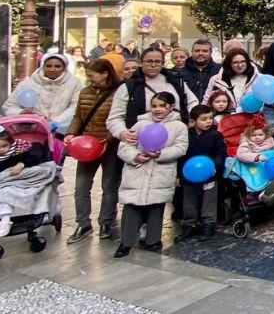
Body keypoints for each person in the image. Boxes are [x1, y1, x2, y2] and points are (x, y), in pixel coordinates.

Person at [115, 92, 187, 258]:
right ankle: (125, 242)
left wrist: (161, 154)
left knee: (156, 208)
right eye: (154, 106)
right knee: (132, 207)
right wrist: (135, 156)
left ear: (171, 107)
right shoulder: (141, 124)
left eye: (162, 106)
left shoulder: (179, 127)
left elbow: (180, 148)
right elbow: (125, 146)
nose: (157, 109)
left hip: (160, 174)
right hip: (137, 173)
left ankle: (153, 240)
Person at [64, 58, 124, 244]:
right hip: (86, 146)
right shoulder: (85, 92)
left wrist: (107, 139)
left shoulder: (119, 92)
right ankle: (83, 224)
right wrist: (71, 133)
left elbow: (120, 118)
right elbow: (78, 117)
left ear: (105, 73)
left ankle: (105, 223)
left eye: (91, 75)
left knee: (109, 187)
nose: (89, 79)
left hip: (110, 146)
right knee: (81, 187)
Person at [0, 127, 51, 238]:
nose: (1, 150)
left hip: (15, 181)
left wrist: (21, 164)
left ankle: (5, 219)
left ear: (10, 144)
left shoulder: (19, 151)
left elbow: (37, 155)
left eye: (4, 146)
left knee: (5, 192)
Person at [107, 47, 197, 143]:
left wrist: (189, 118)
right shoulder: (128, 87)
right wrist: (122, 132)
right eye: (149, 61)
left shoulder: (176, 82)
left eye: (157, 62)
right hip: (140, 139)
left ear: (163, 63)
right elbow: (115, 117)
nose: (153, 65)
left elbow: (193, 102)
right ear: (141, 63)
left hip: (175, 138)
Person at [177, 105, 226, 242]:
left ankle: (208, 224)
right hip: (189, 175)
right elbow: (181, 156)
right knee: (189, 200)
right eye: (204, 119)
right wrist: (179, 175)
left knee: (209, 200)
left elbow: (221, 154)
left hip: (210, 174)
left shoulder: (215, 135)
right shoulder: (187, 135)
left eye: (210, 118)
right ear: (194, 121)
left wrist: (214, 165)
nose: (208, 121)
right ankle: (190, 224)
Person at [2, 50, 80, 129]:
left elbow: (75, 107)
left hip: (63, 130)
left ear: (64, 68)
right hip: (31, 129)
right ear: (43, 66)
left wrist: (55, 122)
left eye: (57, 66)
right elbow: (10, 105)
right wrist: (22, 113)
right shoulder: (27, 84)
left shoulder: (74, 83)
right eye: (48, 66)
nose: (52, 69)